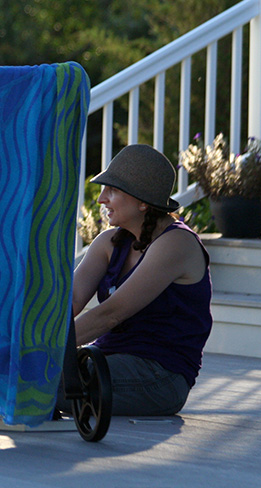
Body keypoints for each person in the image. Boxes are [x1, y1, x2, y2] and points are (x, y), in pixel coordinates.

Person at [65, 144, 212, 416]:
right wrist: (22, 335)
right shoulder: (109, 242)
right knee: (25, 369)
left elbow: (111, 314)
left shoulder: (177, 243)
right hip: (107, 358)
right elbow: (70, 300)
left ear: (143, 202)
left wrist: (44, 348)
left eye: (112, 190)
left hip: (160, 377)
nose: (101, 199)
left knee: (39, 380)